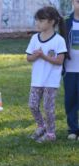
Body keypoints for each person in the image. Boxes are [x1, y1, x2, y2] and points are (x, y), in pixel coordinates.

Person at [26, 6, 67, 143]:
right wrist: (35, 56)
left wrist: (43, 56)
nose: (37, 23)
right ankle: (41, 126)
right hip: (36, 80)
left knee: (48, 108)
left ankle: (50, 134)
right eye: (36, 20)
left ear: (51, 22)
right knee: (32, 105)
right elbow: (28, 58)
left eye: (41, 20)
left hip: (51, 81)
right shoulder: (34, 38)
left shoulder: (59, 40)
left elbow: (59, 61)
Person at [63, 0, 79, 140]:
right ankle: (73, 129)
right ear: (73, 2)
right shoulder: (66, 22)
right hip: (70, 69)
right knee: (70, 100)